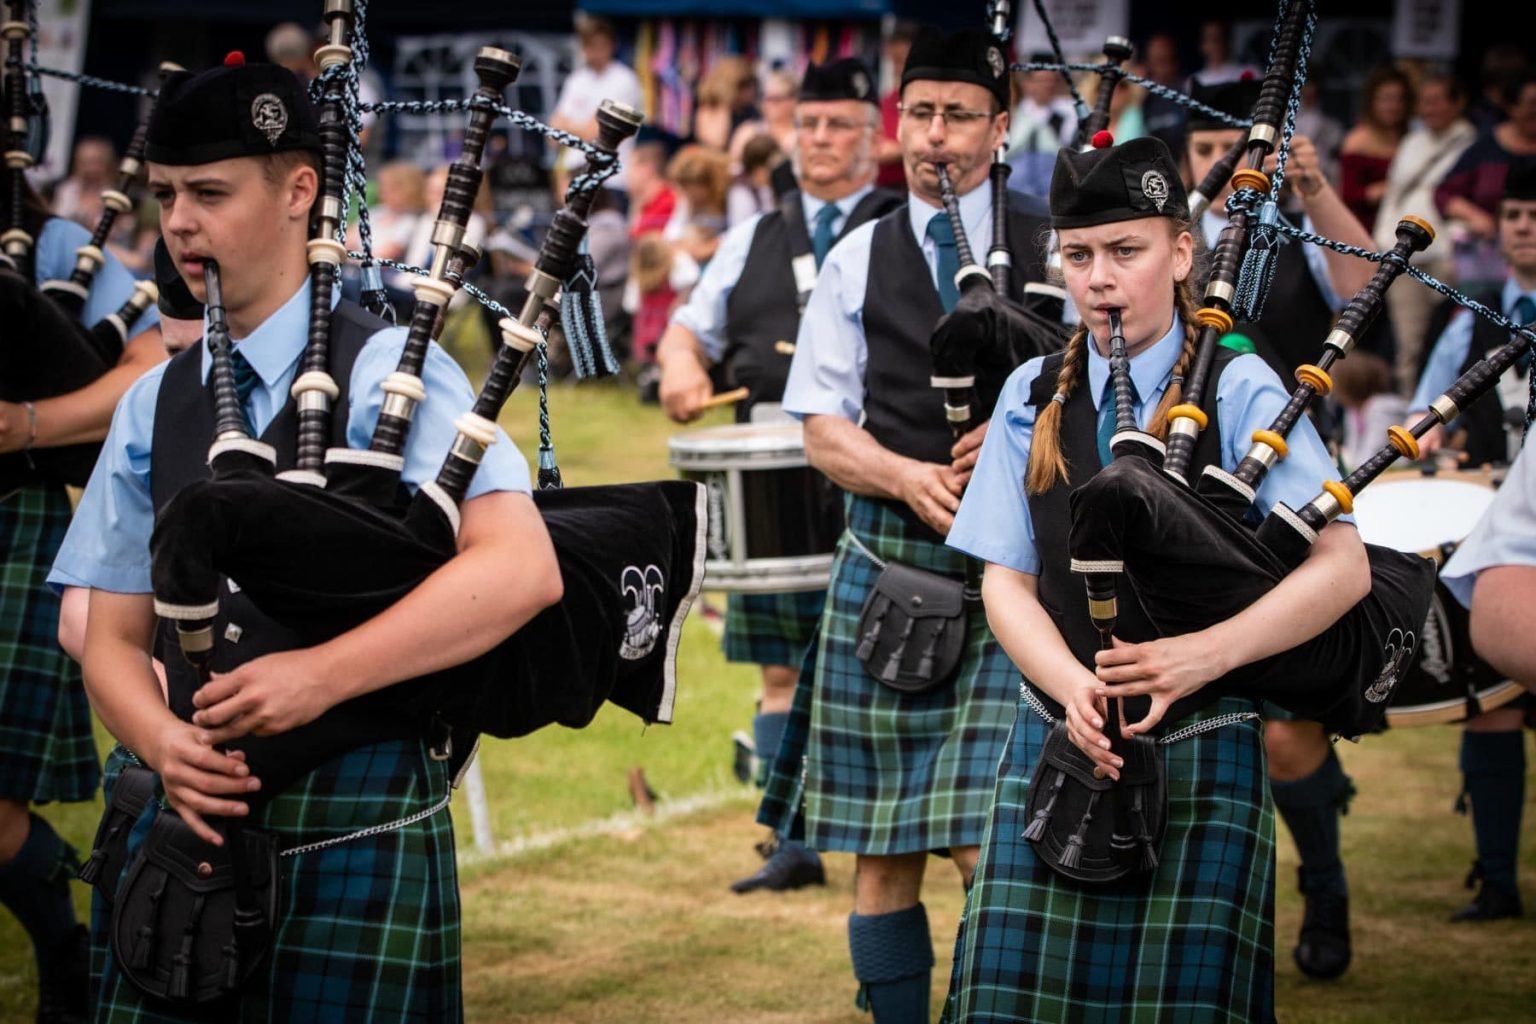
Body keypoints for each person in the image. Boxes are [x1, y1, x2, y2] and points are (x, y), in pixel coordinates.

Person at [50, 57, 561, 1019]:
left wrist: (323, 676)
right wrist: (162, 743)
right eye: (165, 196)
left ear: (299, 191)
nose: (181, 224)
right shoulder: (155, 402)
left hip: (353, 803)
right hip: (182, 817)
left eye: (210, 193)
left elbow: (520, 568)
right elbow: (111, 639)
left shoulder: (387, 376)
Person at [945, 133, 1370, 1022]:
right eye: (1079, 255)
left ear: (1182, 253)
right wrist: (1072, 689)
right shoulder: (1032, 393)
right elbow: (1005, 584)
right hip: (1062, 738)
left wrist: (1199, 658)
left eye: (1126, 251)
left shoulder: (1242, 384)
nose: (1100, 278)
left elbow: (1343, 569)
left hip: (1205, 735)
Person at [764, 28, 1052, 1020]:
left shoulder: (1058, 242)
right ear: (900, 123)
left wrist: (1028, 451)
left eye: (961, 115)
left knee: (989, 840)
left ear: (1000, 127)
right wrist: (909, 475)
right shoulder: (859, 255)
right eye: (922, 113)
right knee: (883, 851)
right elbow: (820, 428)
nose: (939, 135)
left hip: (1026, 580)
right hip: (897, 567)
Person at [656, 58, 900, 894]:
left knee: (895, 657)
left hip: (880, 469)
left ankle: (902, 820)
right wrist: (681, 367)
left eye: (839, 126)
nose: (821, 140)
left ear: (876, 141)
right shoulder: (752, 236)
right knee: (781, 668)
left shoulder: (904, 229)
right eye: (809, 125)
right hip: (772, 475)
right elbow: (687, 332)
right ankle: (790, 838)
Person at [1184, 76, 1378, 981]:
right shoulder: (1168, 250)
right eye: (1213, 157)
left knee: (1286, 730)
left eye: (1253, 156)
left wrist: (1309, 187)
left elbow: (1370, 290)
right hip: (1180, 505)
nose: (1233, 176)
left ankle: (1326, 886)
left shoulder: (1297, 231)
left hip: (1293, 502)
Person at [0, 158, 163, 1024]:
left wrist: (25, 424)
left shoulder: (54, 248)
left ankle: (65, 929)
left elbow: (151, 366)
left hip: (10, 524)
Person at [1441, 441, 1536, 922]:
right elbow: (1426, 413)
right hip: (1498, 519)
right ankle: (1498, 880)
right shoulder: (1466, 358)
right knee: (1491, 711)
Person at [1413, 163, 1536, 466]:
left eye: (1534, 215)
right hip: (1482, 499)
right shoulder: (1470, 320)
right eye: (1512, 215)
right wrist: (1424, 432)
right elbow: (1425, 414)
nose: (1522, 227)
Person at [1374, 74, 1476, 395]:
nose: (1428, 109)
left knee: (1450, 338)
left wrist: (1460, 248)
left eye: (1436, 100)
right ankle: (1410, 413)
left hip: (1449, 255)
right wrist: (1381, 241)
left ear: (1456, 103)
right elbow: (1394, 194)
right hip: (1404, 254)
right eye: (1424, 101)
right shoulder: (1411, 142)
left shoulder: (1471, 141)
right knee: (1409, 343)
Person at [1435, 74, 1536, 292]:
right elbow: (1444, 194)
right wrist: (1476, 217)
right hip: (1488, 263)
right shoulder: (1487, 148)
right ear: (1512, 107)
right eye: (1531, 104)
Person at [548, 14, 643, 199]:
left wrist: (567, 125)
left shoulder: (625, 80)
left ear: (612, 45)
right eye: (591, 46)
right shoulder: (576, 80)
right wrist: (578, 128)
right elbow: (552, 136)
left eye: (601, 46)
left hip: (610, 180)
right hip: (573, 176)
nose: (596, 52)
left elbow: (596, 132)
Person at [1338, 67, 1413, 234]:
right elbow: (1348, 196)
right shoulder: (1357, 141)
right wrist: (1377, 192)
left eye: (1399, 100)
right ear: (1372, 101)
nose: (1392, 106)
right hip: (1365, 229)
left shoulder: (1412, 139)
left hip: (1403, 226)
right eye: (1386, 99)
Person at [1004, 55, 1079, 199]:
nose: (1048, 85)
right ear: (1027, 83)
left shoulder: (1070, 114)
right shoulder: (1017, 116)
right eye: (1042, 80)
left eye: (1052, 80)